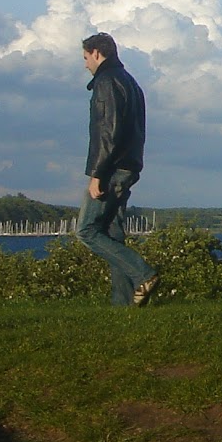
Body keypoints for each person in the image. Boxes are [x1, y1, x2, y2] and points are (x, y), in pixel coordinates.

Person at [79, 32, 159, 306]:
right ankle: (124, 303)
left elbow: (107, 132)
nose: (85, 64)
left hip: (112, 168)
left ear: (97, 54)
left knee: (87, 230)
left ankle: (143, 274)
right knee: (112, 231)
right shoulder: (131, 83)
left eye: (86, 57)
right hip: (129, 165)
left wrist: (97, 174)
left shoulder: (105, 82)